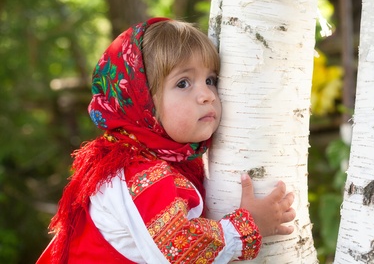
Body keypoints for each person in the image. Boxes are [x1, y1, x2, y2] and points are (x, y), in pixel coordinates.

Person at [37, 17, 296, 264]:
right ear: (142, 102)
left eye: (210, 80)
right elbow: (180, 253)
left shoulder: (167, 160)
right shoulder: (135, 173)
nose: (207, 95)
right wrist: (250, 225)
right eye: (183, 83)